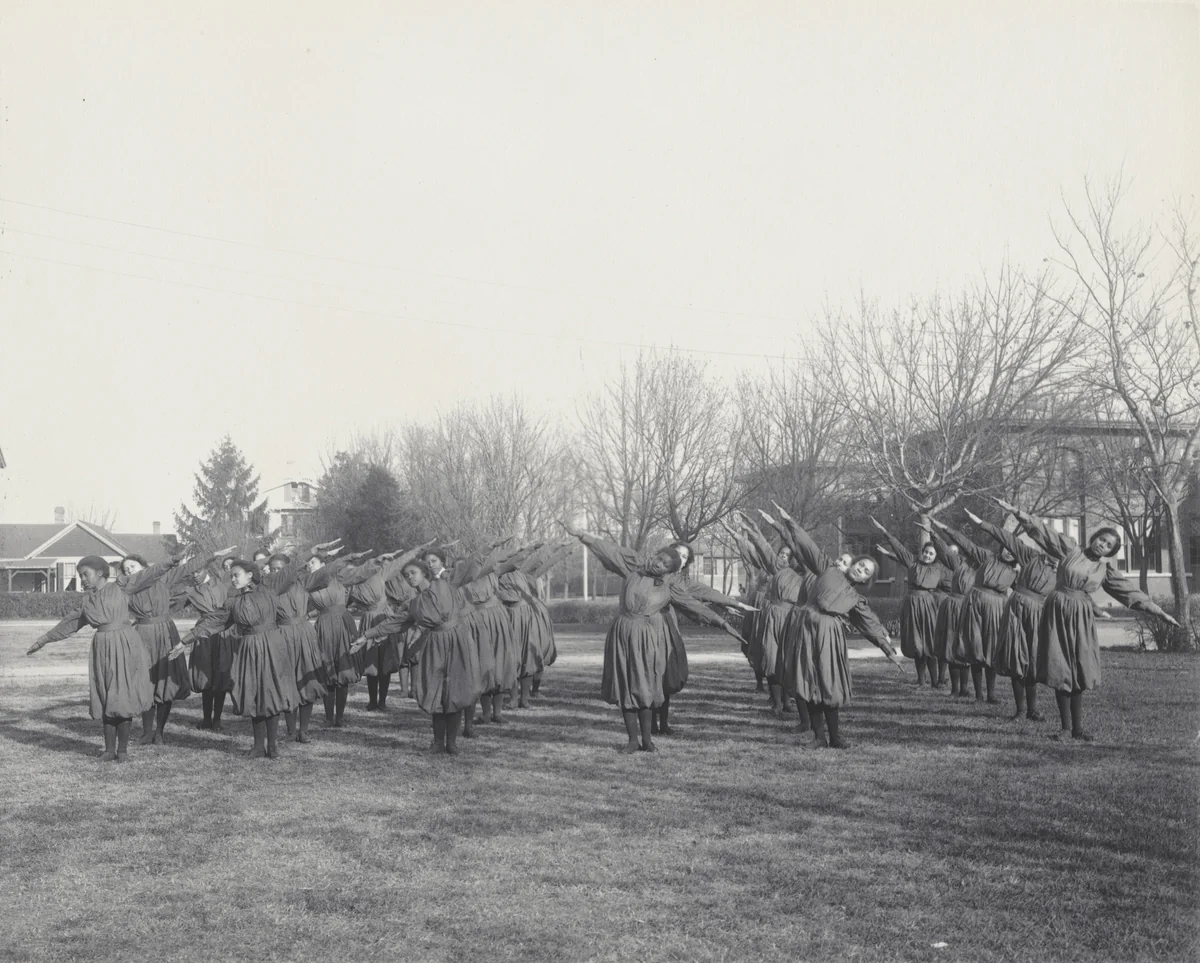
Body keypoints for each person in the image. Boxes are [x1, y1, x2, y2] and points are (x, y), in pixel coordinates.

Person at [995, 499, 1177, 741]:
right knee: (1060, 667)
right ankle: (1066, 729)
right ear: (1094, 537)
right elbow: (1043, 532)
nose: (1103, 545)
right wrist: (1017, 512)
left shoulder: (1105, 571)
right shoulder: (1070, 550)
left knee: (1078, 669)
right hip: (1057, 612)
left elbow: (1129, 592)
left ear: (1111, 551)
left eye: (1109, 545)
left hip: (1080, 618)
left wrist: (1159, 612)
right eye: (1101, 539)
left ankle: (1078, 729)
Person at [562, 523, 748, 754]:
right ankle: (632, 740)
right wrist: (582, 535)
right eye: (659, 559)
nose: (658, 565)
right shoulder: (633, 569)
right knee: (627, 685)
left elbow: (696, 603)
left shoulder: (671, 585)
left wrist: (724, 620)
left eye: (665, 565)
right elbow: (611, 550)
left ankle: (648, 739)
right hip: (623, 634)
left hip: (647, 637)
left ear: (671, 570)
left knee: (646, 685)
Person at [172, 540, 342, 759]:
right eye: (231, 575)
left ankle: (273, 746)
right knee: (255, 694)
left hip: (273, 646)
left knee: (272, 694)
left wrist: (310, 552)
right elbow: (215, 622)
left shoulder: (270, 588)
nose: (232, 579)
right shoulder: (233, 601)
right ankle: (258, 746)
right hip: (249, 650)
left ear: (250, 575)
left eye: (236, 575)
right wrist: (186, 640)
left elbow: (290, 570)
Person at [26, 552, 197, 762]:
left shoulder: (122, 586)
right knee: (106, 695)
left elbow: (151, 573)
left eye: (85, 574)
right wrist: (43, 640)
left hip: (125, 645)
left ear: (100, 573)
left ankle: (122, 750)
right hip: (102, 649)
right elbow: (70, 623)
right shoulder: (87, 601)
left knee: (122, 695)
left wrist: (171, 560)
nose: (82, 579)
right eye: (80, 576)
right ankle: (108, 750)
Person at [769, 504, 903, 750]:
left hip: (828, 636)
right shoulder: (826, 568)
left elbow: (870, 625)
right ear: (854, 565)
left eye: (865, 571)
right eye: (860, 565)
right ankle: (819, 738)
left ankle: (836, 737)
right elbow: (808, 546)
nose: (860, 570)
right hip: (805, 630)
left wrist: (887, 650)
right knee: (809, 682)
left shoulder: (856, 598)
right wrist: (790, 522)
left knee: (828, 684)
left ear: (866, 579)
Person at [354, 559, 484, 756]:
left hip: (457, 641)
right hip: (435, 645)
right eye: (406, 575)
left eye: (413, 572)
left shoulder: (446, 585)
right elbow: (396, 622)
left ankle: (452, 743)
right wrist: (366, 635)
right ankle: (438, 742)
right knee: (437, 691)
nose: (409, 577)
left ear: (425, 573)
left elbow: (470, 567)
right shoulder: (415, 603)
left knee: (455, 691)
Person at [122, 546, 235, 744]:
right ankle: (147, 732)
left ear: (144, 566)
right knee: (145, 682)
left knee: (165, 683)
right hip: (141, 635)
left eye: (132, 566)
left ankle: (159, 732)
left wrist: (211, 555)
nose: (128, 570)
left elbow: (187, 568)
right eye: (125, 569)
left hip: (165, 634)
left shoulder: (162, 579)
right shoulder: (127, 588)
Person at [966, 509, 1054, 721]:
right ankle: (1020, 710)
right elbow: (1007, 538)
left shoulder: (1063, 571)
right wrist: (982, 523)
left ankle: (1033, 710)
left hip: (1038, 617)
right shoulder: (1031, 558)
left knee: (1032, 661)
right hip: (1017, 613)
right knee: (1016, 658)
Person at [931, 518, 1018, 705]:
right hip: (977, 605)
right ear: (1001, 547)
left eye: (1013, 551)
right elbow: (966, 545)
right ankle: (978, 695)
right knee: (976, 647)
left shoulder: (1015, 573)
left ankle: (991, 695)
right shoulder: (987, 558)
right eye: (1006, 548)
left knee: (991, 650)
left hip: (997, 611)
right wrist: (945, 529)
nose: (1008, 553)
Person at [869, 517, 944, 687]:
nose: (927, 555)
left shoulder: (938, 569)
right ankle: (921, 681)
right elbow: (899, 549)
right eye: (926, 552)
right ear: (922, 552)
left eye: (931, 554)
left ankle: (935, 681)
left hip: (929, 606)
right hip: (912, 605)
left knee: (930, 644)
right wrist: (883, 530)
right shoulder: (913, 563)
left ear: (935, 557)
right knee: (917, 644)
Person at [268, 552, 329, 743]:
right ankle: (290, 730)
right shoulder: (268, 588)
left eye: (280, 568)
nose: (276, 572)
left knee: (306, 680)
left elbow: (325, 577)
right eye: (273, 569)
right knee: (287, 683)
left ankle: (304, 730)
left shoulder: (303, 582)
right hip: (281, 635)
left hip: (304, 635)